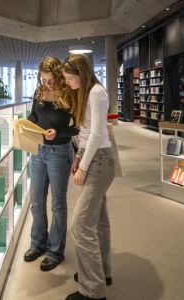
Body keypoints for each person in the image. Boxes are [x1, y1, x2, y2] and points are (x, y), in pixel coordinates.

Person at [62, 54, 116, 300]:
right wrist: (78, 157)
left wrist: (83, 166)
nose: (67, 81)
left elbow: (97, 133)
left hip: (99, 161)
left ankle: (93, 290)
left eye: (70, 77)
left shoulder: (95, 92)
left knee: (81, 224)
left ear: (81, 74)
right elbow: (86, 133)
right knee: (98, 219)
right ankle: (101, 272)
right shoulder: (88, 92)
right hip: (95, 157)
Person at [23, 55, 79, 272]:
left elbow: (78, 127)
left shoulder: (69, 93)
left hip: (59, 150)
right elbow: (33, 116)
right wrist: (25, 124)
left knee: (57, 204)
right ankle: (38, 243)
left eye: (50, 79)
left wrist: (59, 132)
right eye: (44, 79)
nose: (47, 84)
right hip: (38, 150)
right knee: (36, 201)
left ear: (57, 75)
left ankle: (55, 251)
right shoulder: (38, 92)